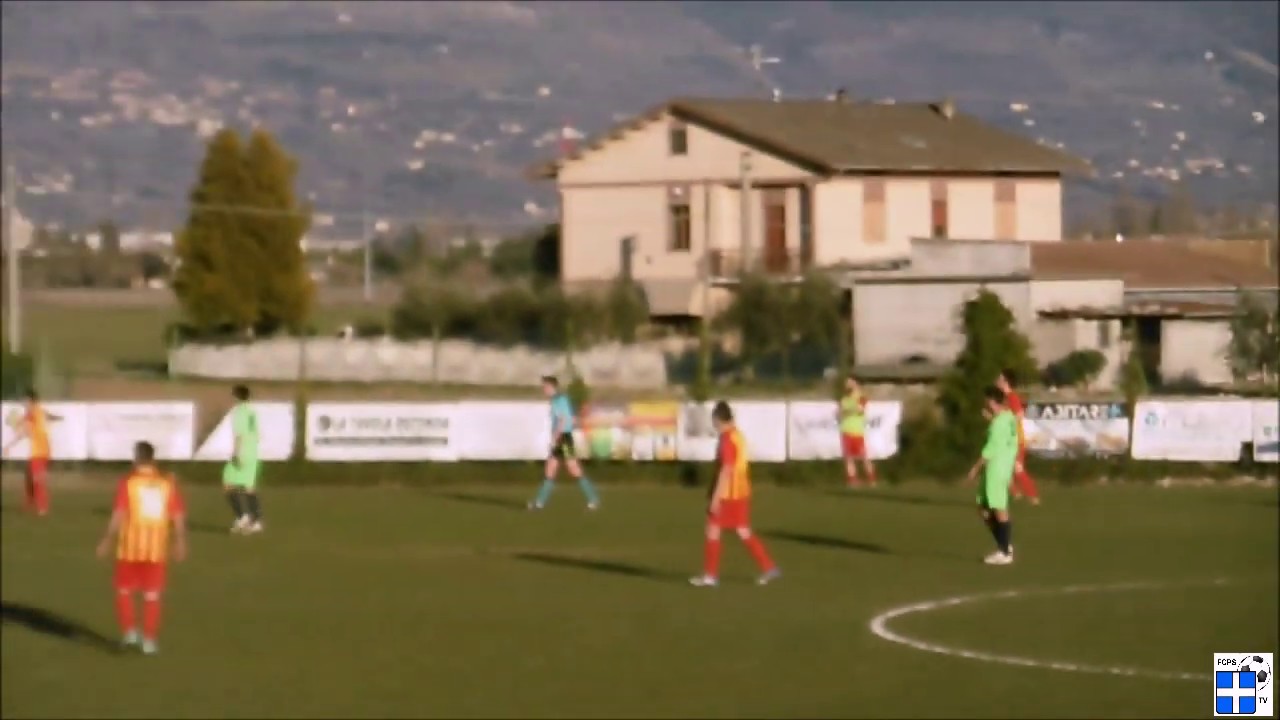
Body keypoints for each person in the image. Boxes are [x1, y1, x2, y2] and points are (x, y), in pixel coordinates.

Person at [96, 441, 187, 655]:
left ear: (136, 458)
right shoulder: (167, 482)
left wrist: (107, 538)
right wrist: (180, 540)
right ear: (153, 459)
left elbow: (119, 513)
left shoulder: (128, 482)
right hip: (156, 549)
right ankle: (149, 640)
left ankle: (129, 631)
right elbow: (177, 514)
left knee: (123, 590)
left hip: (129, 548)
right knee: (152, 595)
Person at [690, 401, 781, 587]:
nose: (713, 425)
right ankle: (769, 567)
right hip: (741, 492)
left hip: (729, 494)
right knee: (742, 530)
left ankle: (710, 575)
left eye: (714, 421)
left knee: (713, 530)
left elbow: (727, 469)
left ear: (718, 419)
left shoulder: (727, 439)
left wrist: (716, 498)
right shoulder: (737, 435)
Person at [528, 376, 600, 511]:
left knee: (574, 469)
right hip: (562, 437)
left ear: (552, 387)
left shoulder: (558, 400)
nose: (544, 389)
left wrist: (555, 438)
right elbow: (569, 418)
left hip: (563, 438)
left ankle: (593, 498)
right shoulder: (559, 399)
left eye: (545, 387)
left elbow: (562, 420)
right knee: (550, 470)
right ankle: (539, 502)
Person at [967, 387, 1019, 565]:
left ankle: (1004, 552)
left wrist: (975, 468)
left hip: (997, 466)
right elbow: (1006, 437)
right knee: (982, 507)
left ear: (991, 401)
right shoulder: (1007, 417)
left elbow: (990, 449)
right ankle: (1004, 545)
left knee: (998, 507)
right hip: (1002, 465)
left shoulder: (999, 423)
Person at [2, 389, 61, 516]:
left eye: (25, 400)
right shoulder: (38, 410)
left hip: (39, 452)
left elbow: (23, 430)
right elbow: (45, 417)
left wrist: (9, 444)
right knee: (30, 478)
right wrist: (57, 418)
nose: (24, 403)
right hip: (44, 450)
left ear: (30, 400)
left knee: (37, 480)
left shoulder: (33, 412)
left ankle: (42, 508)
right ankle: (29, 504)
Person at [995, 369, 1041, 505]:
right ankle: (1016, 494)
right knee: (1004, 468)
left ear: (1006, 382)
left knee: (1017, 469)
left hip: (1016, 440)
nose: (997, 381)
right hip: (1008, 440)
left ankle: (1033, 497)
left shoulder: (1012, 397)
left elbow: (1019, 414)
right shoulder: (1005, 399)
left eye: (1000, 379)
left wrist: (1009, 426)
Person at [223, 384, 264, 534]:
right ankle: (256, 520)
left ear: (236, 396)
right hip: (253, 452)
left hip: (243, 452)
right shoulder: (253, 410)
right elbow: (258, 434)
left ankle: (243, 517)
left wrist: (236, 453)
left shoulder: (239, 412)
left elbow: (239, 434)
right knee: (249, 487)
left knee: (228, 484)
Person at [838, 375, 877, 487]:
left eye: (849, 382)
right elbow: (840, 413)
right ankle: (852, 480)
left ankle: (872, 479)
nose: (847, 384)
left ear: (855, 383)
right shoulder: (845, 399)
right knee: (848, 458)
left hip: (857, 432)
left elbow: (860, 409)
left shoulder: (861, 397)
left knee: (864, 457)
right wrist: (848, 411)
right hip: (846, 430)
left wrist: (847, 411)